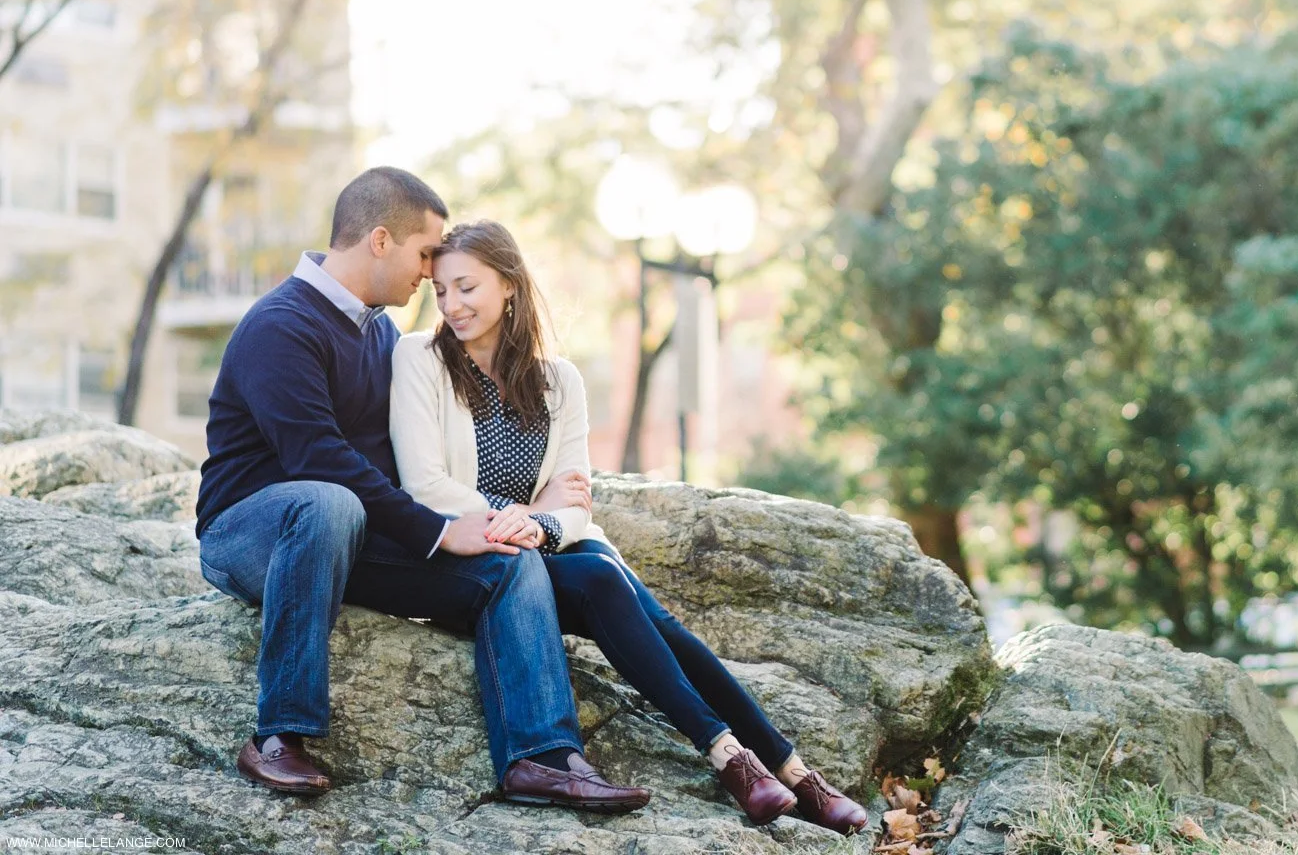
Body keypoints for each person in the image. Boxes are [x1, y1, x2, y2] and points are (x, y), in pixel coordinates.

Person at [390, 220, 870, 836]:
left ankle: (787, 771)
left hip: (550, 549)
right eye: (441, 291)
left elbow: (576, 507)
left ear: (509, 284)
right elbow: (425, 485)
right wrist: (522, 516)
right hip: (483, 559)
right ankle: (739, 758)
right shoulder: (421, 360)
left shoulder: (559, 382)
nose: (452, 305)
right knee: (600, 575)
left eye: (466, 287)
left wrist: (540, 520)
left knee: (649, 614)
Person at [194, 168, 648, 812]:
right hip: (251, 535)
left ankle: (541, 756)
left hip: (348, 539)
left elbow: (398, 459)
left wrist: (510, 517)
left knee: (504, 558)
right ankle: (278, 735)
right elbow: (315, 458)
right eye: (425, 254)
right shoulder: (280, 325)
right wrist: (436, 531)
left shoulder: (379, 332)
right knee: (327, 499)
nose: (430, 276)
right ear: (380, 241)